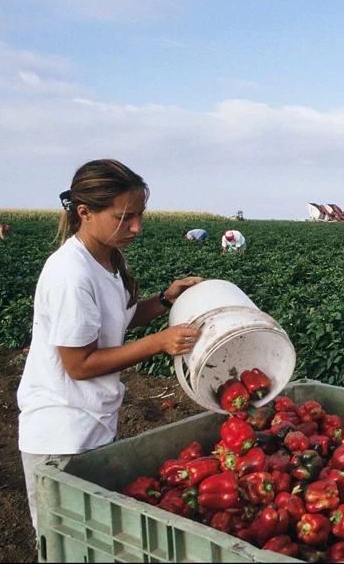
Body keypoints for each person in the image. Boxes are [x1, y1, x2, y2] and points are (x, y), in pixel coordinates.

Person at [16, 159, 203, 533]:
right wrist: (159, 343)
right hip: (62, 435)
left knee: (95, 539)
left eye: (140, 214)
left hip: (92, 423)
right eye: (124, 217)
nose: (137, 227)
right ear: (84, 212)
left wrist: (165, 299)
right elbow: (79, 364)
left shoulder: (103, 260)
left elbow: (118, 320)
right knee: (68, 543)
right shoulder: (71, 274)